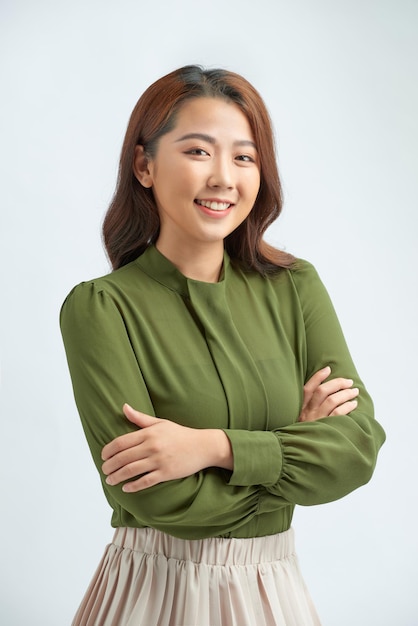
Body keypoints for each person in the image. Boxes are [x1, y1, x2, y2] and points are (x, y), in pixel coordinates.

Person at [60, 65, 386, 626]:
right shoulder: (101, 308)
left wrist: (213, 448)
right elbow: (158, 499)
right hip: (157, 592)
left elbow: (356, 450)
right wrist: (293, 458)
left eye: (243, 157)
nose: (223, 178)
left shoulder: (294, 286)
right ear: (144, 165)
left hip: (274, 592)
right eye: (197, 152)